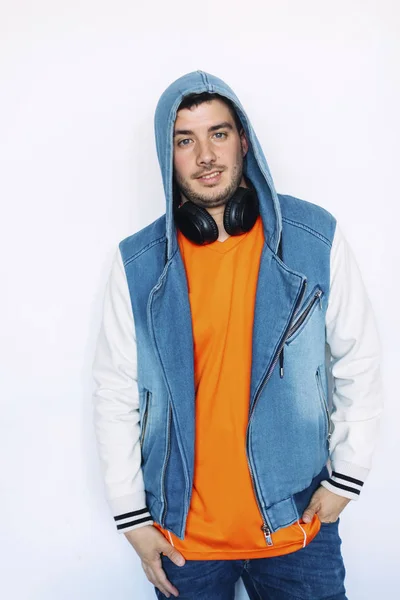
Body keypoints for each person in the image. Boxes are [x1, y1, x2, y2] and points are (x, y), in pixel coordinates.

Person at [92, 71, 383, 599]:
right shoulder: (136, 265)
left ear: (243, 141)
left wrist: (348, 475)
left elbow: (358, 358)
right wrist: (132, 520)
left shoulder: (313, 237)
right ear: (168, 154)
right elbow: (115, 392)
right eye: (186, 140)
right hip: (183, 540)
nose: (205, 154)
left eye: (219, 134)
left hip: (297, 528)